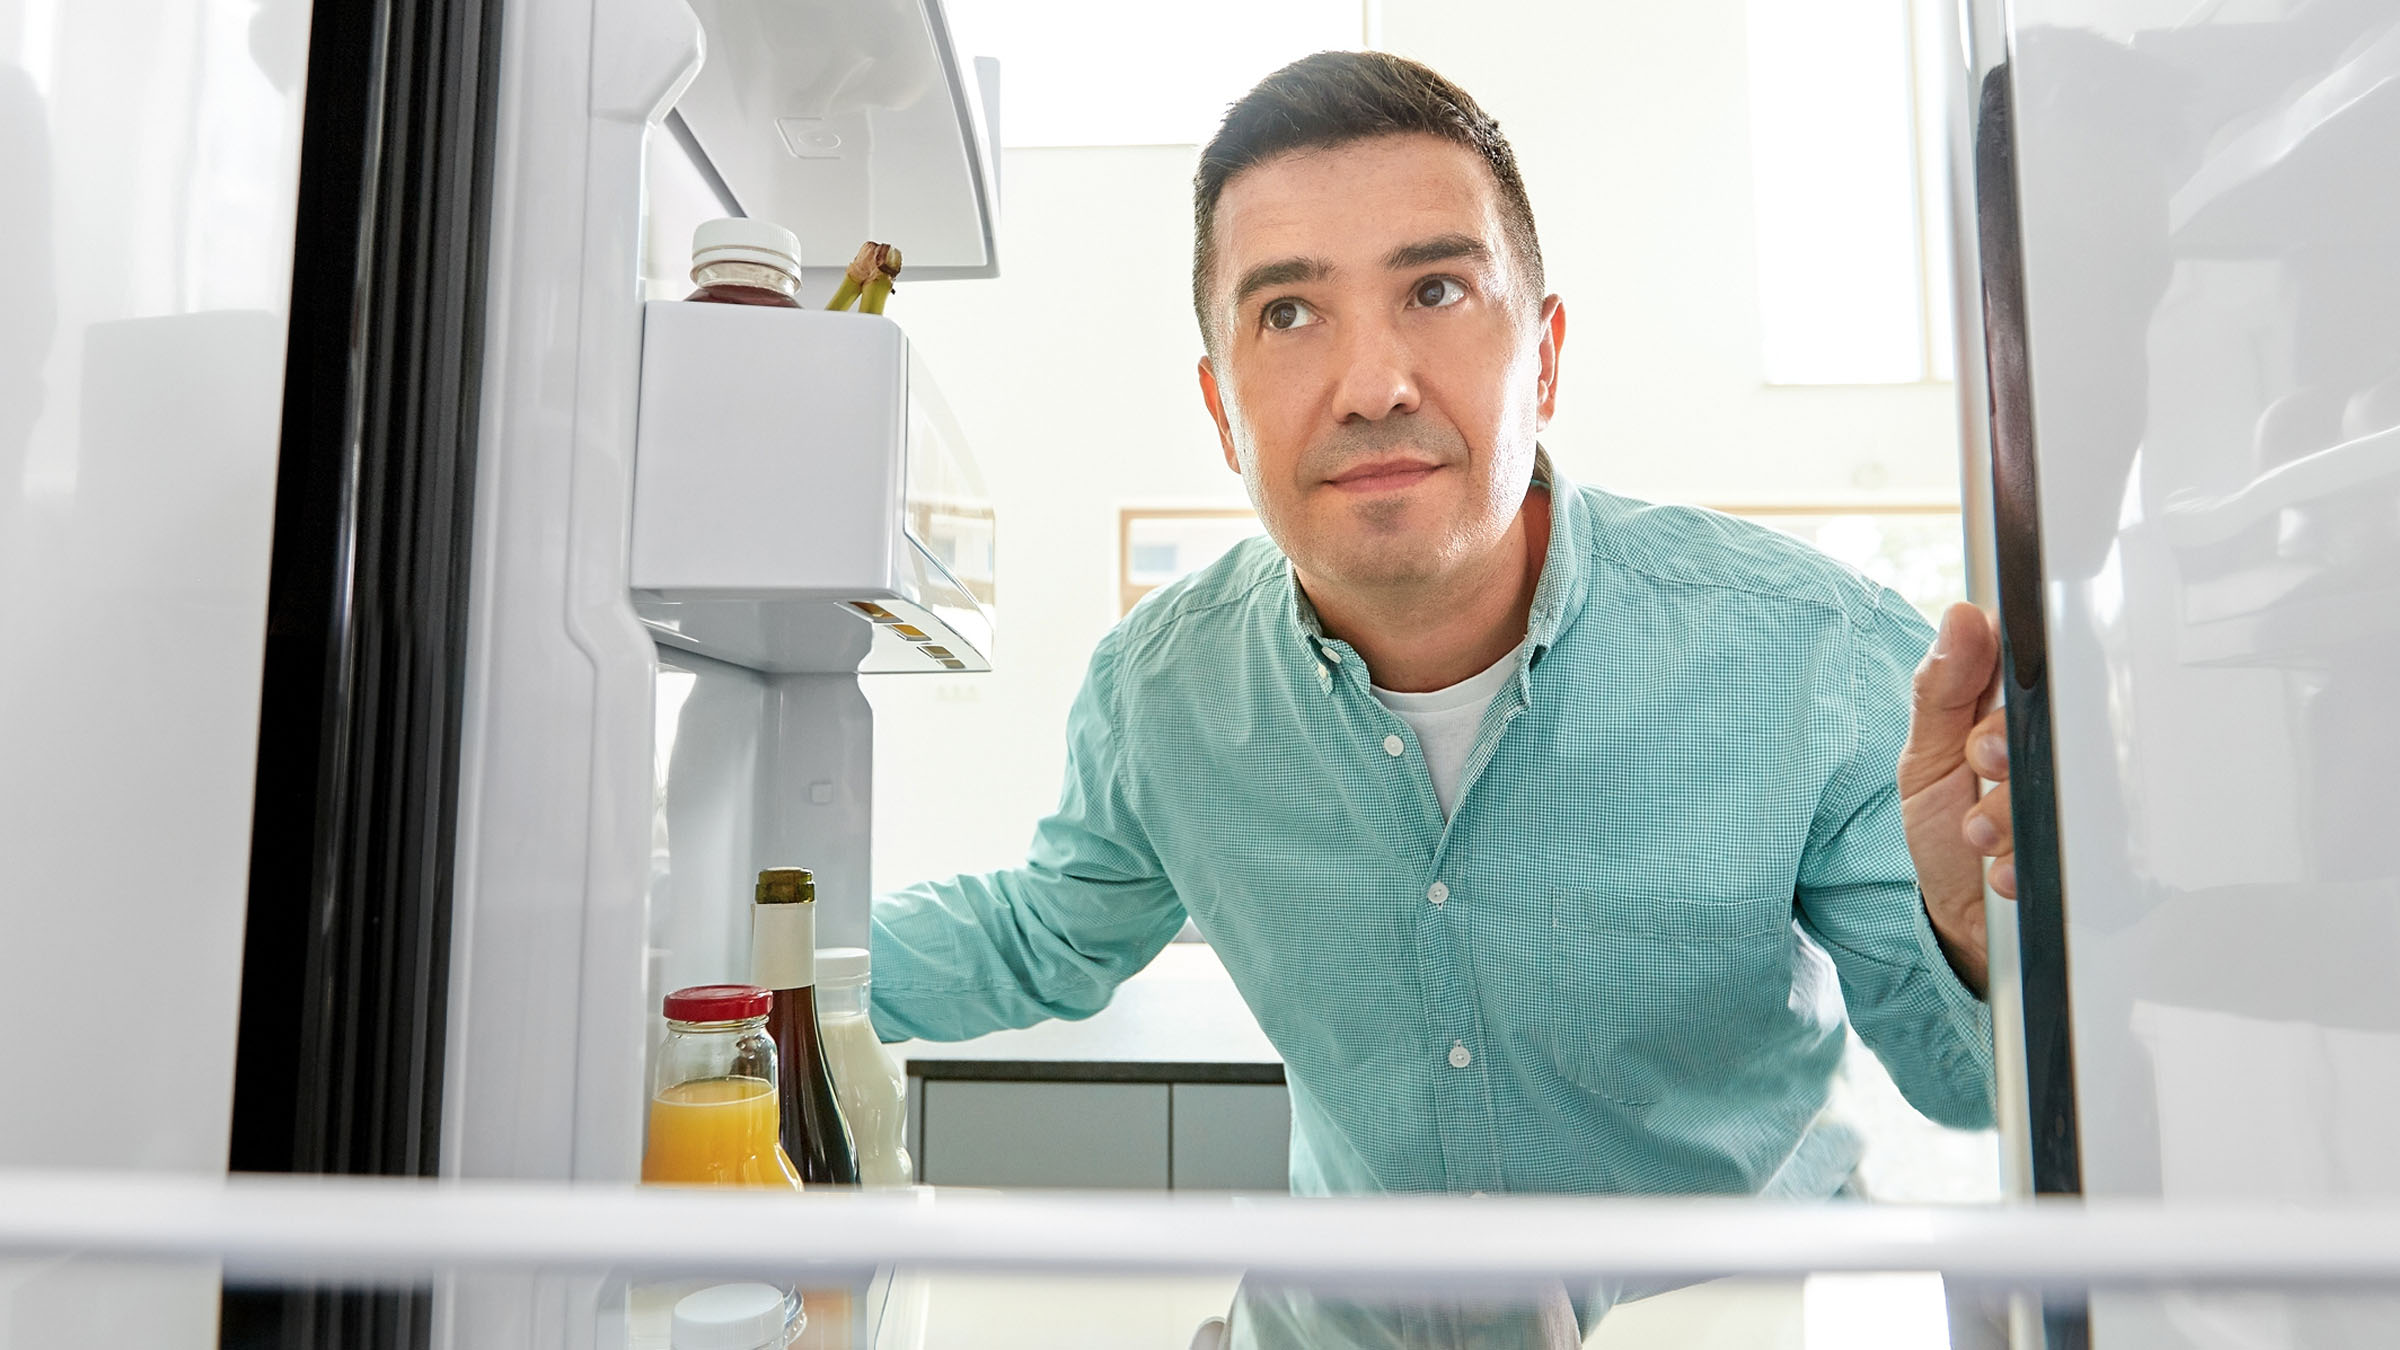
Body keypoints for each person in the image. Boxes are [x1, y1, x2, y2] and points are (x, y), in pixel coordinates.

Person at [870, 43, 2016, 1279]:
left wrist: (1979, 939)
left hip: (1711, 1320)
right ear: (1219, 410)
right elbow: (1044, 937)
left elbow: (1971, 1092)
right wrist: (695, 959)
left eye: (1436, 292)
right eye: (1290, 312)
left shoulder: (1818, 657)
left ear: (1548, 355)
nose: (1372, 385)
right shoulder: (1162, 690)